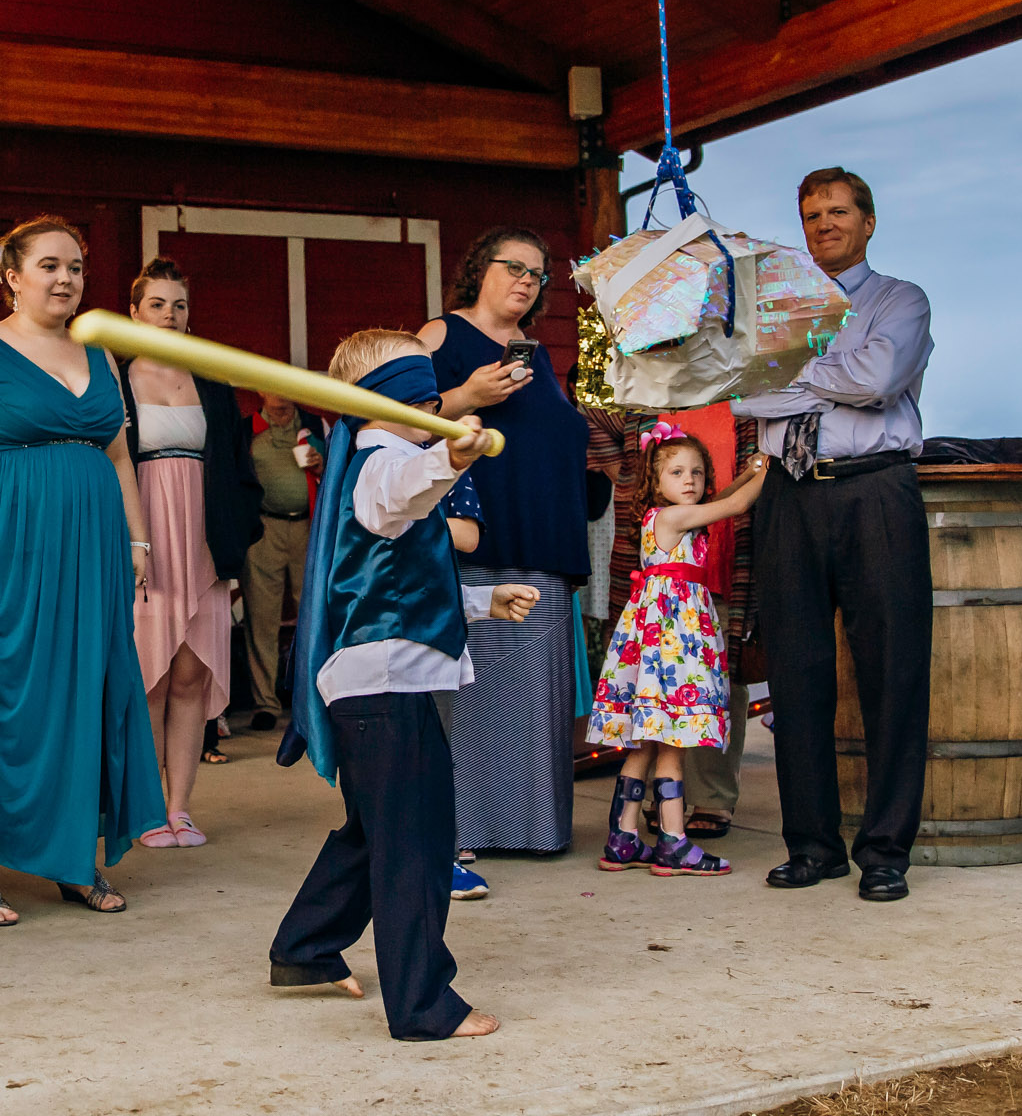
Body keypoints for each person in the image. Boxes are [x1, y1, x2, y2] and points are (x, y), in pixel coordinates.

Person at [268, 328, 536, 1041]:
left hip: (383, 681)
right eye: (412, 389)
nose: (428, 397)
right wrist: (447, 456)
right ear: (376, 403)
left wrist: (484, 601)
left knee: (373, 831)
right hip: (381, 686)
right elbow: (397, 500)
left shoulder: (396, 458)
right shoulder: (380, 462)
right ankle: (422, 1006)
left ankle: (305, 950)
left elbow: (402, 580)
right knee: (415, 843)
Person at [0, 216, 164, 926]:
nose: (66, 278)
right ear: (12, 277)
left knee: (83, 699)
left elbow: (115, 457)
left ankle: (75, 859)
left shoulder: (99, 356)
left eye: (75, 267)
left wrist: (138, 544)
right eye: (49, 265)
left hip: (89, 559)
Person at [734, 168, 934, 903]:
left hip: (875, 489)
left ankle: (885, 849)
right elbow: (742, 392)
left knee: (894, 672)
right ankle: (812, 846)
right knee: (796, 674)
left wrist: (794, 371)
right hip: (788, 494)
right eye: (812, 213)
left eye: (839, 211)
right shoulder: (777, 309)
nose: (824, 224)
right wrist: (825, 372)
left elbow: (878, 378)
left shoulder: (901, 300)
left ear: (868, 221)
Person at [421, 228, 590, 884]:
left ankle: (531, 827)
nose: (526, 280)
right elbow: (396, 414)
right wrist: (467, 397)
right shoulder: (440, 334)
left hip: (543, 544)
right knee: (468, 695)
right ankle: (457, 827)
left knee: (531, 696)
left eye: (538, 274)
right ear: (479, 270)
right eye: (513, 266)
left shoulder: (534, 353)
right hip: (477, 541)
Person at [116, 259, 261, 846]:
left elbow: (237, 467)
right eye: (157, 304)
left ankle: (181, 808)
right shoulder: (116, 379)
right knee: (148, 677)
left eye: (178, 305)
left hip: (203, 540)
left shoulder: (212, 382)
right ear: (134, 311)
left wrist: (231, 544)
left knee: (189, 675)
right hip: (143, 538)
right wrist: (127, 540)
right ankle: (147, 809)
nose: (169, 315)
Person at [589, 422, 766, 876]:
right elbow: (734, 504)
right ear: (655, 481)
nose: (689, 481)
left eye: (697, 474)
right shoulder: (669, 518)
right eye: (677, 473)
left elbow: (724, 493)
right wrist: (770, 466)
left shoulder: (665, 517)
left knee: (645, 744)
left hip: (660, 637)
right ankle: (673, 842)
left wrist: (745, 472)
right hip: (674, 643)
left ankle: (623, 836)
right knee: (674, 743)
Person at [243, 393, 323, 730]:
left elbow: (340, 473)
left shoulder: (315, 425)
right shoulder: (247, 429)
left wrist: (322, 466)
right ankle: (266, 704)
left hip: (308, 527)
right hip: (263, 529)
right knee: (261, 618)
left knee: (313, 615)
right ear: (260, 390)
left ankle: (312, 699)